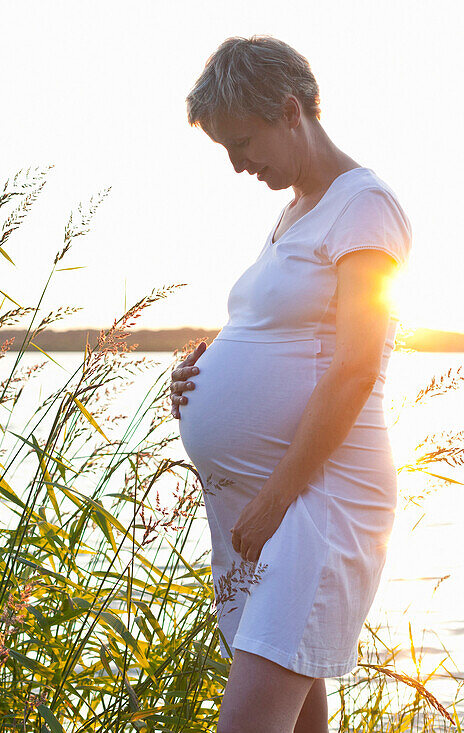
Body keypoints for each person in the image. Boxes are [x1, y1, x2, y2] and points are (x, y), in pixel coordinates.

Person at [171, 36, 414, 732]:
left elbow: (356, 366)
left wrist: (275, 499)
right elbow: (285, 334)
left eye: (243, 141)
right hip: (276, 500)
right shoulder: (296, 210)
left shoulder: (363, 206)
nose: (238, 163)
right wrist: (197, 373)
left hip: (316, 499)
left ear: (288, 111)